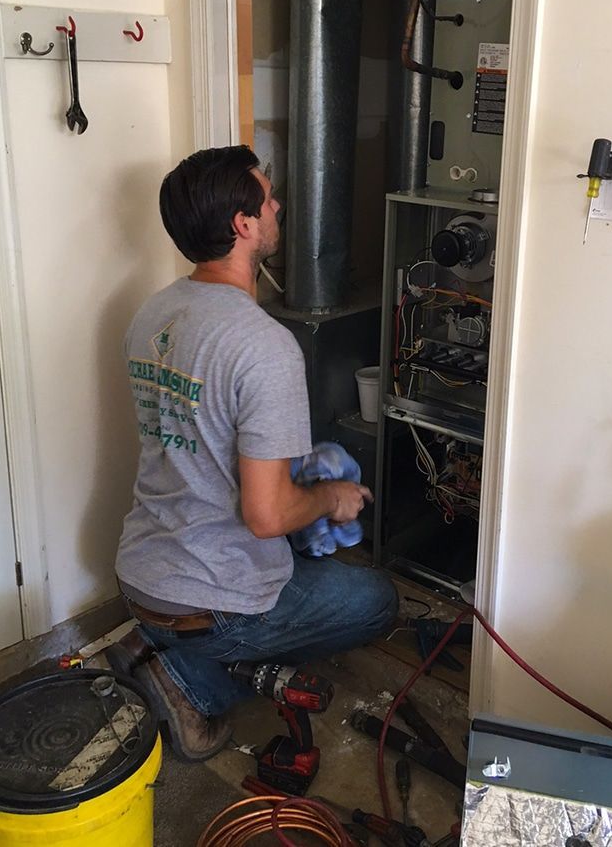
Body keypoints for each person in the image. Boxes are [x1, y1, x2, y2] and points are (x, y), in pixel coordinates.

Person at [111, 146, 399, 762]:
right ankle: (191, 682)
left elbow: (198, 436)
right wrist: (332, 496)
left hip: (139, 573)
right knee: (375, 601)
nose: (277, 206)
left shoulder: (152, 313)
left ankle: (157, 643)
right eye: (267, 198)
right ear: (243, 226)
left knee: (300, 556)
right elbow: (265, 518)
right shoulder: (263, 345)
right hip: (211, 598)